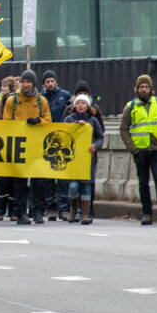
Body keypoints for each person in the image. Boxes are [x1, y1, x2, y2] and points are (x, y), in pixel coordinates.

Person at [119, 75, 157, 225]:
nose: (144, 89)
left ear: (151, 89)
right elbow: (123, 130)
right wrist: (133, 150)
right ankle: (147, 213)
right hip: (140, 151)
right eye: (141, 87)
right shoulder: (131, 106)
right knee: (143, 182)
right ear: (136, 89)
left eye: (146, 87)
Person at [1, 70, 51, 225]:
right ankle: (20, 212)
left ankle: (38, 212)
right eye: (24, 81)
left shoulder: (41, 101)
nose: (26, 84)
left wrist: (38, 122)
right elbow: (6, 122)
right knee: (20, 182)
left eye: (29, 82)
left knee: (39, 182)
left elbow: (49, 121)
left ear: (33, 83)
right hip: (20, 146)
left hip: (36, 146)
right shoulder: (12, 100)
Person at [65, 94, 104, 225]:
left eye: (83, 103)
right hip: (73, 159)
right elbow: (64, 134)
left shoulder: (93, 121)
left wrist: (95, 146)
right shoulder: (69, 119)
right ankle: (73, 209)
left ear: (87, 106)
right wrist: (76, 125)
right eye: (78, 103)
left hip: (88, 160)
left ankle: (85, 213)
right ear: (74, 106)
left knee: (86, 186)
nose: (80, 105)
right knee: (73, 186)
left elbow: (100, 138)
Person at [40, 70, 72, 220]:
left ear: (56, 82)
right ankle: (51, 207)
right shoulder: (40, 98)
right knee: (48, 178)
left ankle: (63, 208)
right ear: (43, 84)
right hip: (46, 141)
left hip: (62, 138)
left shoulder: (65, 95)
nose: (50, 84)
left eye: (52, 81)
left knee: (63, 177)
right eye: (47, 82)